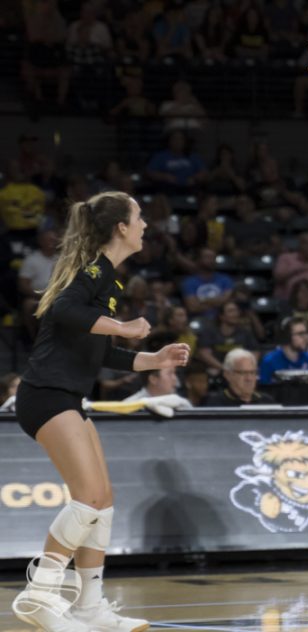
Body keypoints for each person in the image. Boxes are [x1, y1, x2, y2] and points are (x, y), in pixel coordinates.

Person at [11, 192, 190, 632]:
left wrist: (153, 359)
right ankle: (39, 594)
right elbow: (64, 310)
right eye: (140, 216)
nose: (146, 224)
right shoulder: (93, 270)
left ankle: (90, 605)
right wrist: (125, 327)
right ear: (121, 228)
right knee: (88, 497)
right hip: (46, 395)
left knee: (102, 502)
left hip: (66, 395)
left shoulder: (107, 277)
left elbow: (95, 351)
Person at [258, 318, 308, 386]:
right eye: (301, 334)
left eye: (306, 333)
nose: (306, 337)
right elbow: (264, 391)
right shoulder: (269, 361)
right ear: (287, 337)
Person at [207, 348, 275, 406]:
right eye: (243, 373)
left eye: (252, 373)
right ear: (227, 374)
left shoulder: (267, 401)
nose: (249, 378)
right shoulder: (215, 403)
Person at [124, 366, 192, 409]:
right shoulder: (128, 406)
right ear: (153, 379)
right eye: (170, 373)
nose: (175, 379)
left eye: (175, 373)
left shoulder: (181, 403)